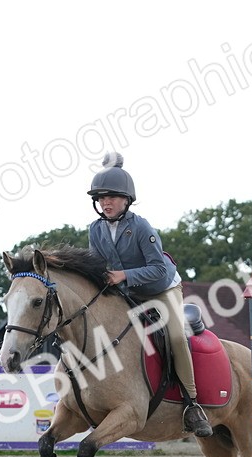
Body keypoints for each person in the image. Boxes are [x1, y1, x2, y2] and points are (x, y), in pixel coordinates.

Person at [86, 152, 213, 437]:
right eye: (101, 198)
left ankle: (192, 404)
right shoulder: (95, 230)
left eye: (111, 197)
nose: (105, 203)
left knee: (176, 336)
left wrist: (124, 275)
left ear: (126, 200)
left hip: (163, 288)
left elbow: (157, 269)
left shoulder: (141, 227)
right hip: (128, 292)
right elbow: (97, 266)